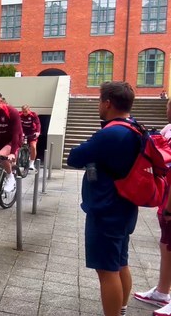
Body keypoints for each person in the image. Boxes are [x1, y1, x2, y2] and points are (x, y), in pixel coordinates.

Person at [67, 82, 140, 316]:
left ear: (107, 103)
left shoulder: (111, 133)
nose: (99, 105)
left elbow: (75, 157)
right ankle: (122, 309)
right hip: (125, 206)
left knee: (107, 271)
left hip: (106, 209)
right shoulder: (135, 128)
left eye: (100, 100)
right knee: (120, 263)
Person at [134, 98, 171, 315]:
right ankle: (162, 291)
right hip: (166, 195)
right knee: (166, 244)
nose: (167, 109)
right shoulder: (168, 129)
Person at [20, 105, 41, 171]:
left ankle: (31, 163)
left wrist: (37, 132)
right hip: (23, 131)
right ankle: (18, 160)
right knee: (17, 144)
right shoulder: (19, 114)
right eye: (23, 111)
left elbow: (38, 124)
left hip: (32, 132)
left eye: (26, 111)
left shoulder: (33, 115)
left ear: (29, 110)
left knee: (33, 146)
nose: (24, 113)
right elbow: (17, 124)